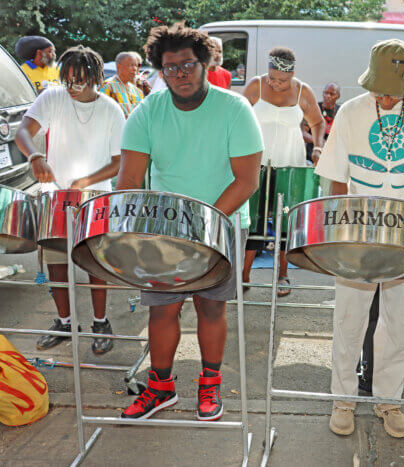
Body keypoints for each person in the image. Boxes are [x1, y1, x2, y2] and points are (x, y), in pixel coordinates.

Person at [116, 23, 263, 421]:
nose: (180, 74)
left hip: (224, 220)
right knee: (162, 310)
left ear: (207, 63)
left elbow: (247, 180)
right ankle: (160, 388)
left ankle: (210, 384)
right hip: (165, 227)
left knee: (210, 308)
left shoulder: (235, 109)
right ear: (159, 71)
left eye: (188, 65)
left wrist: (203, 224)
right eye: (170, 67)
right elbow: (129, 180)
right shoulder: (147, 111)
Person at [315, 39, 404, 439]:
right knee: (349, 316)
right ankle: (343, 399)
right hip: (358, 232)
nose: (389, 95)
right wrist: (344, 227)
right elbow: (337, 175)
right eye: (383, 86)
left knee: (400, 322)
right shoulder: (352, 111)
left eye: (396, 88)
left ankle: (388, 400)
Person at [14, 45, 125, 354]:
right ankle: (64, 322)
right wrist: (35, 156)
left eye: (79, 80)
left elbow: (119, 161)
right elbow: (23, 131)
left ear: (95, 78)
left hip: (94, 196)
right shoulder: (52, 98)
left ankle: (100, 322)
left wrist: (86, 181)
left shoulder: (111, 110)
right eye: (68, 80)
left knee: (94, 263)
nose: (72, 87)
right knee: (57, 263)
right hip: (56, 195)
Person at [241, 47, 325, 297]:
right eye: (272, 78)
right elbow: (236, 117)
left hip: (290, 165)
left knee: (286, 223)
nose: (276, 84)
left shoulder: (302, 91)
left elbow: (318, 123)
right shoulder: (255, 86)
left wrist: (318, 147)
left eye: (282, 80)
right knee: (253, 221)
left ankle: (283, 275)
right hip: (256, 164)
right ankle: (244, 276)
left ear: (292, 75)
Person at [99, 52, 145, 118]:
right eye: (131, 65)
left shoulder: (137, 91)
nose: (135, 69)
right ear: (118, 66)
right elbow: (101, 113)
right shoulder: (107, 86)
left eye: (136, 65)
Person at [303, 82, 341, 161]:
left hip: (332, 158)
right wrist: (319, 141)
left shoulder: (341, 111)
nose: (328, 96)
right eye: (326, 93)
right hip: (312, 157)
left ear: (338, 96)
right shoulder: (314, 109)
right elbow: (303, 133)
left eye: (332, 94)